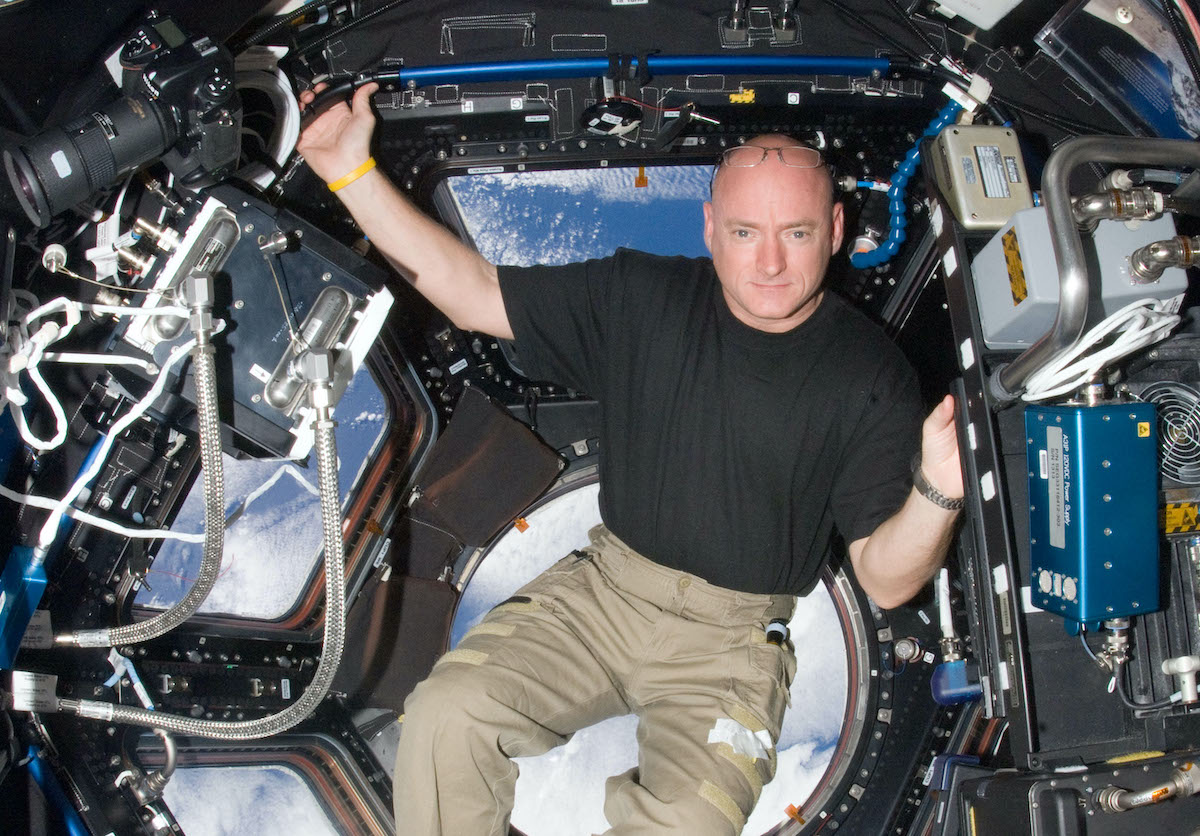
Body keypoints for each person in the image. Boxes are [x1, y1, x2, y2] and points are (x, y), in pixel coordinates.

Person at [298, 81, 964, 835]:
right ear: (710, 227)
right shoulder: (640, 298)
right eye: (746, 232)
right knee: (449, 717)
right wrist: (346, 171)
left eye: (798, 233)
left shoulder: (869, 376)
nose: (771, 262)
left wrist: (937, 492)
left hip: (733, 645)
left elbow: (885, 575)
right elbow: (473, 291)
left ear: (837, 229)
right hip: (603, 597)